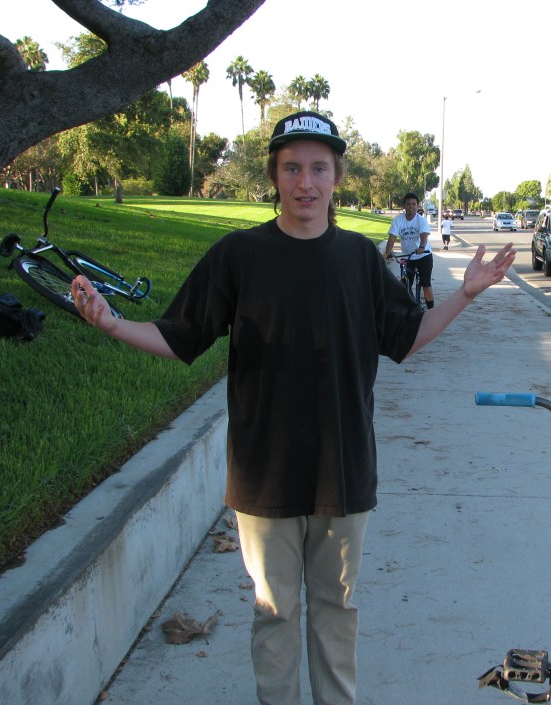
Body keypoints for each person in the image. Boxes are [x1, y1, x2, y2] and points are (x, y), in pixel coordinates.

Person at [69, 110, 515, 705]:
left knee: (336, 610)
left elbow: (407, 338)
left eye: (319, 168)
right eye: (292, 168)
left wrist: (464, 295)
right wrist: (113, 325)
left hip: (343, 470)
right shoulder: (239, 255)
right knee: (274, 611)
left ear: (337, 177)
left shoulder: (359, 258)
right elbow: (180, 337)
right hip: (265, 472)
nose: (306, 182)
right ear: (274, 177)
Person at [383, 193, 434, 308]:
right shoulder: (398, 221)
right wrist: (387, 252)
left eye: (414, 204)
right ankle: (411, 308)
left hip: (424, 255)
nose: (411, 206)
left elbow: (424, 235)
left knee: (426, 283)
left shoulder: (421, 220)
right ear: (404, 206)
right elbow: (392, 237)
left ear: (417, 206)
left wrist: (422, 247)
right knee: (405, 285)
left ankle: (431, 310)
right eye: (408, 204)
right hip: (407, 257)